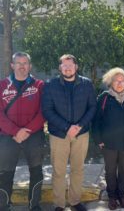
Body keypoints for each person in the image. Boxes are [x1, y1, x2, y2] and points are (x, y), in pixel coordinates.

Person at [42, 54, 96, 211]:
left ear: (76, 67)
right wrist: (67, 127)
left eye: (70, 65)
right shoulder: (51, 85)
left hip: (81, 133)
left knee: (77, 169)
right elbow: (47, 110)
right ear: (60, 68)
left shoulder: (87, 84)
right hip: (59, 135)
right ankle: (59, 204)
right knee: (58, 171)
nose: (67, 68)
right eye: (64, 66)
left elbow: (92, 107)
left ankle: (75, 201)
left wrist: (79, 125)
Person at [92, 68, 124, 210]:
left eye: (122, 81)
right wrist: (99, 140)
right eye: (116, 80)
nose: (120, 83)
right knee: (110, 171)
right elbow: (96, 121)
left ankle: (123, 196)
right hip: (109, 144)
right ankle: (112, 197)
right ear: (110, 82)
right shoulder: (104, 98)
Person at [0, 52, 45, 211]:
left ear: (30, 66)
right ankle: (4, 205)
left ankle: (34, 205)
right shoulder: (2, 85)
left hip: (33, 135)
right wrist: (14, 131)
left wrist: (28, 130)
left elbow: (44, 111)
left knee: (36, 171)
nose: (21, 66)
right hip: (7, 136)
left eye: (25, 63)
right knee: (5, 173)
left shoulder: (39, 85)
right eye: (18, 63)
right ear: (12, 65)